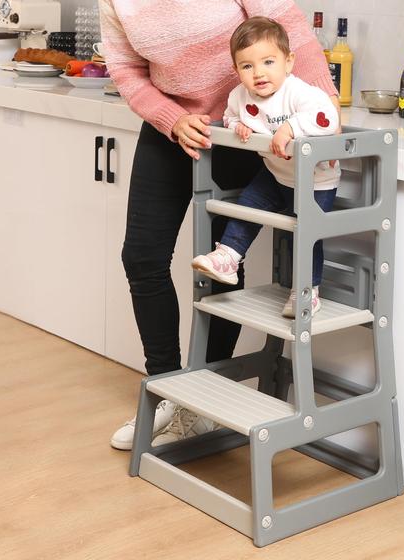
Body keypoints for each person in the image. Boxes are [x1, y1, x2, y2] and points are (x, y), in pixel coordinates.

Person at [98, 0, 339, 451]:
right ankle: (168, 388)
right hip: (175, 128)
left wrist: (326, 120)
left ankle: (201, 402)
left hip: (243, 127)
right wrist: (171, 119)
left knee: (225, 255)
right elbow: (127, 70)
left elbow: (292, 34)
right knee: (143, 258)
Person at [191, 17, 340, 317]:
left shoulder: (299, 92)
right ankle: (228, 257)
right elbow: (232, 115)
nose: (258, 73)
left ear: (288, 62)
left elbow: (327, 118)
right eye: (247, 66)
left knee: (305, 233)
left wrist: (290, 128)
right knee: (248, 206)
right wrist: (238, 127)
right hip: (275, 173)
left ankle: (307, 292)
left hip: (314, 180)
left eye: (268, 62)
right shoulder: (239, 96)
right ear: (237, 71)